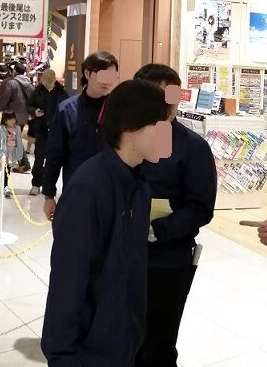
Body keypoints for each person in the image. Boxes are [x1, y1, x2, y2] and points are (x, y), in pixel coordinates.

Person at [41, 79, 171, 366]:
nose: (167, 136)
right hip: (89, 351)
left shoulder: (139, 184)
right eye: (158, 126)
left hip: (123, 341)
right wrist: (63, 356)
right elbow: (67, 280)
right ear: (129, 126)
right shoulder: (88, 189)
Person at [134, 63, 217, 367]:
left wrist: (157, 230)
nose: (167, 104)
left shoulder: (193, 148)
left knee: (158, 342)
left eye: (172, 96)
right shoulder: (123, 138)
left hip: (168, 260)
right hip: (121, 253)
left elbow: (200, 208)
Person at [42, 51, 119, 221]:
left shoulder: (119, 110)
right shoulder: (67, 110)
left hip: (113, 195)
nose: (107, 81)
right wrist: (49, 195)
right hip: (77, 191)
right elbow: (54, 155)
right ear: (87, 73)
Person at [27, 69, 68, 196]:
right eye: (45, 83)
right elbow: (29, 105)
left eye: (49, 83)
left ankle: (49, 186)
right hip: (41, 129)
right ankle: (36, 184)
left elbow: (67, 108)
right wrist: (34, 112)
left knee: (53, 159)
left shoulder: (62, 92)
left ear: (54, 80)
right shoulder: (37, 91)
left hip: (57, 131)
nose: (47, 85)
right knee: (39, 158)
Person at [0, 61, 33, 172]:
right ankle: (19, 163)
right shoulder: (30, 85)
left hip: (11, 116)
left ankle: (23, 163)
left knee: (11, 139)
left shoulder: (11, 83)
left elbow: (4, 100)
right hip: (24, 116)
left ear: (15, 71)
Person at [0, 111, 24, 198]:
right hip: (4, 152)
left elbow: (19, 142)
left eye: (14, 119)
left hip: (13, 152)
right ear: (5, 120)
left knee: (9, 169)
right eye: (10, 119)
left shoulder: (17, 128)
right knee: (5, 169)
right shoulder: (1, 129)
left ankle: (5, 186)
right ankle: (5, 186)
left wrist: (19, 155)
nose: (13, 121)